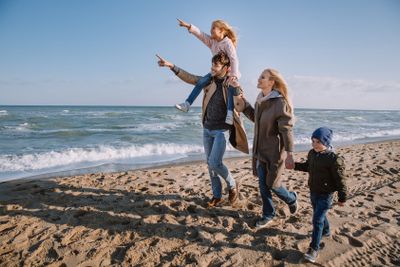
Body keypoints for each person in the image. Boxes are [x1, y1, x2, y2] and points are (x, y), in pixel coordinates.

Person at [157, 52, 249, 207]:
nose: (212, 68)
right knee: (210, 164)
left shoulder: (231, 83)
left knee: (215, 163)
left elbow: (240, 98)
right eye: (212, 64)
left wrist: (238, 88)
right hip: (207, 128)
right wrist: (172, 66)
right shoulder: (208, 81)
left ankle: (232, 185)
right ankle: (216, 195)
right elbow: (191, 78)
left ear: (226, 68)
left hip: (222, 130)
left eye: (216, 65)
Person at [241, 68, 298, 229]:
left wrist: (290, 154)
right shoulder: (261, 99)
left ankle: (291, 199)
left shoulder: (280, 103)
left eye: (263, 77)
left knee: (273, 184)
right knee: (263, 186)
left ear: (272, 82)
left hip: (274, 153)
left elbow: (286, 130)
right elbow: (255, 119)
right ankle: (268, 214)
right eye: (259, 76)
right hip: (259, 152)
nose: (258, 79)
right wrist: (244, 105)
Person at [291, 127, 347, 263]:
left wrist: (342, 197)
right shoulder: (312, 153)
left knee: (317, 220)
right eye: (313, 141)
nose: (314, 144)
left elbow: (341, 180)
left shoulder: (333, 159)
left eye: (317, 142)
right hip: (314, 191)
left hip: (326, 195)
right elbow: (307, 167)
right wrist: (294, 166)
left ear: (326, 143)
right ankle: (326, 231)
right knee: (319, 214)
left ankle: (313, 249)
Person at [175, 18, 241, 125]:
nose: (211, 30)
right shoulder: (212, 42)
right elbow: (201, 35)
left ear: (222, 30)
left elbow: (234, 59)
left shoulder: (228, 43)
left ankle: (229, 113)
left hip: (229, 72)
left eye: (213, 28)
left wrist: (233, 75)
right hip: (215, 72)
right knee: (201, 82)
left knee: (230, 89)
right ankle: (187, 104)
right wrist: (189, 26)